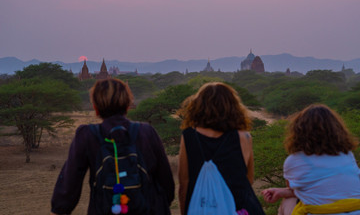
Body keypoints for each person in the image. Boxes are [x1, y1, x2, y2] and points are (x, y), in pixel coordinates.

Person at [51, 78, 175, 215]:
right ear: (128, 105)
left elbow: (68, 186)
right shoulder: (146, 132)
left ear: (95, 108)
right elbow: (166, 184)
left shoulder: (87, 135)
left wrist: (59, 209)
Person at [178, 82, 265, 215]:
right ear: (233, 107)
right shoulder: (244, 137)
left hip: (202, 208)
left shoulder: (189, 136)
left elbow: (184, 183)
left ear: (198, 106)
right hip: (239, 208)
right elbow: (248, 179)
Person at [261, 104, 360, 215]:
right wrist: (281, 192)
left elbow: (295, 191)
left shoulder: (294, 160)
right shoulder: (347, 154)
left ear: (298, 131)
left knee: (289, 200)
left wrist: (282, 192)